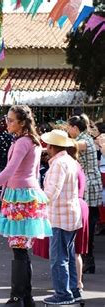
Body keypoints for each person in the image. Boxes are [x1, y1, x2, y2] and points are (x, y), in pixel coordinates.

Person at [0, 105, 52, 306]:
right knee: (21, 249)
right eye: (7, 118)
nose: (7, 122)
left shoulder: (22, 142)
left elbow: (9, 170)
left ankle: (17, 298)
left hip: (21, 197)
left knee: (19, 249)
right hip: (25, 196)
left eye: (11, 120)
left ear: (21, 123)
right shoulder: (32, 141)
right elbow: (33, 173)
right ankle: (25, 298)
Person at [39, 130, 82, 305]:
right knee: (69, 256)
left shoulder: (58, 164)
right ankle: (73, 291)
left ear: (52, 146)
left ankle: (63, 294)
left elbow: (51, 193)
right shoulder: (70, 161)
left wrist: (35, 200)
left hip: (60, 216)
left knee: (59, 258)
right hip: (71, 215)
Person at [67, 114, 102, 274]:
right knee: (90, 222)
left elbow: (73, 146)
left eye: (69, 127)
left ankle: (88, 260)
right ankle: (89, 261)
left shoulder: (84, 140)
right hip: (91, 184)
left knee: (87, 224)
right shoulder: (87, 138)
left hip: (88, 185)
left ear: (75, 128)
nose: (68, 130)